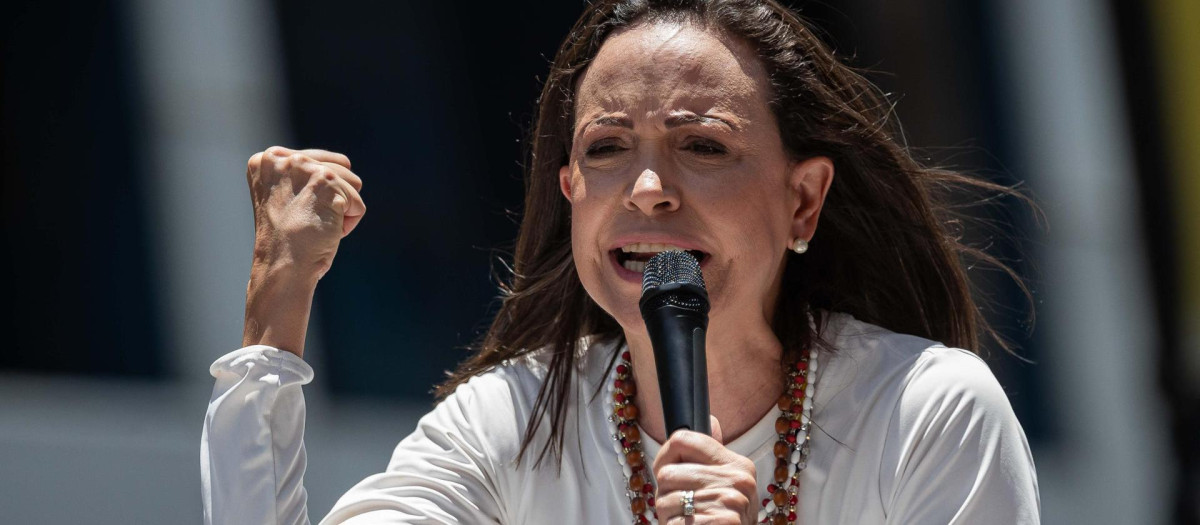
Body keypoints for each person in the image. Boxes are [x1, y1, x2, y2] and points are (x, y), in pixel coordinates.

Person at [202, 0, 1041, 523]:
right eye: (607, 148)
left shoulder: (928, 411)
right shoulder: (512, 423)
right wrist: (277, 306)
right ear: (570, 190)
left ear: (803, 201)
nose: (646, 188)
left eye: (702, 145)